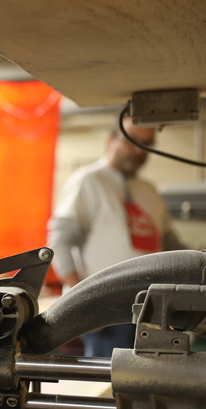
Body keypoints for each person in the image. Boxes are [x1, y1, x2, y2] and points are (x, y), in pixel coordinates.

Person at [48, 114, 186, 356]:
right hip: (106, 312)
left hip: (151, 310)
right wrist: (84, 305)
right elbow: (60, 241)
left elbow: (170, 244)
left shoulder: (149, 191)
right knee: (112, 377)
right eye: (132, 141)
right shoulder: (88, 182)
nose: (139, 150)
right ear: (111, 139)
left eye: (147, 144)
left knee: (150, 375)